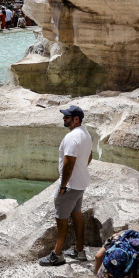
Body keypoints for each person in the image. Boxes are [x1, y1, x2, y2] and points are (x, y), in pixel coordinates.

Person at [39, 105, 92, 266]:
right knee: (77, 215)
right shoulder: (86, 133)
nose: (64, 119)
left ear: (76, 119)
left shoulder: (71, 138)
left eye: (67, 117)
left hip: (70, 186)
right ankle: (79, 251)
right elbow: (89, 156)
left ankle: (57, 255)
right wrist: (81, 171)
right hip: (81, 183)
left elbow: (68, 165)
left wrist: (63, 186)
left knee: (61, 220)